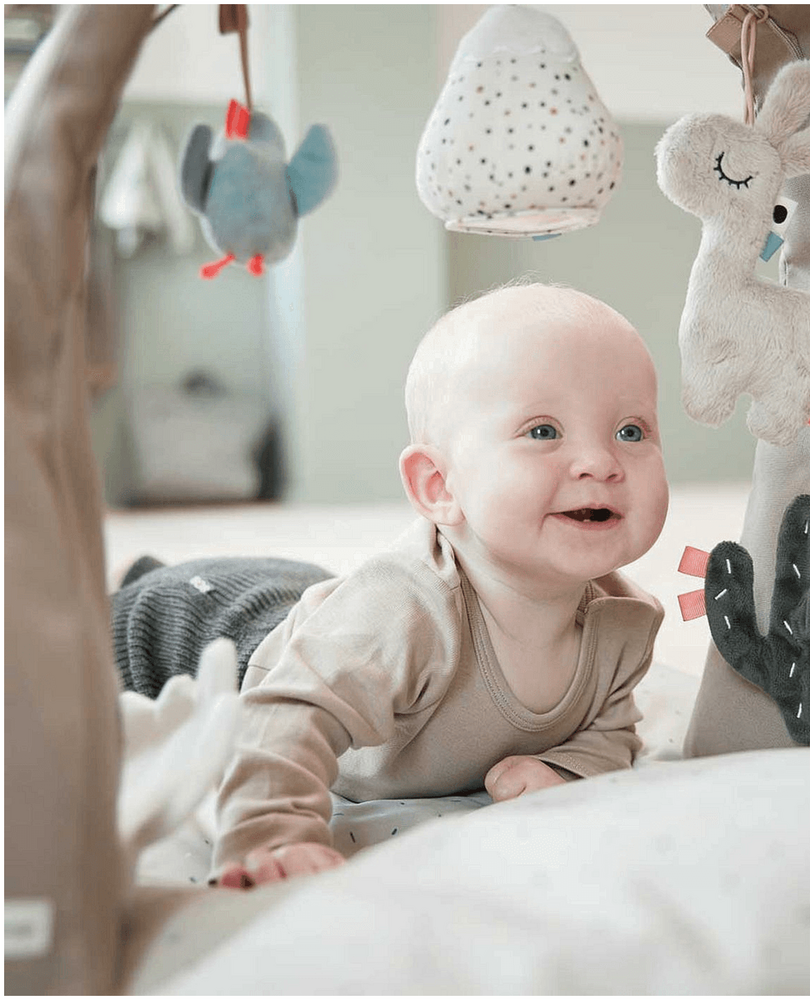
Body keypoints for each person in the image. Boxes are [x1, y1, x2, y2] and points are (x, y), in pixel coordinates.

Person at [112, 281, 669, 888]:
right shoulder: (405, 611)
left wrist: (568, 769)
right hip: (196, 628)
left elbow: (610, 733)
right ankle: (131, 582)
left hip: (326, 607)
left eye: (631, 432)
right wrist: (272, 831)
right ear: (439, 486)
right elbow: (285, 715)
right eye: (543, 432)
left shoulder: (624, 626)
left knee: (333, 608)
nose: (601, 463)